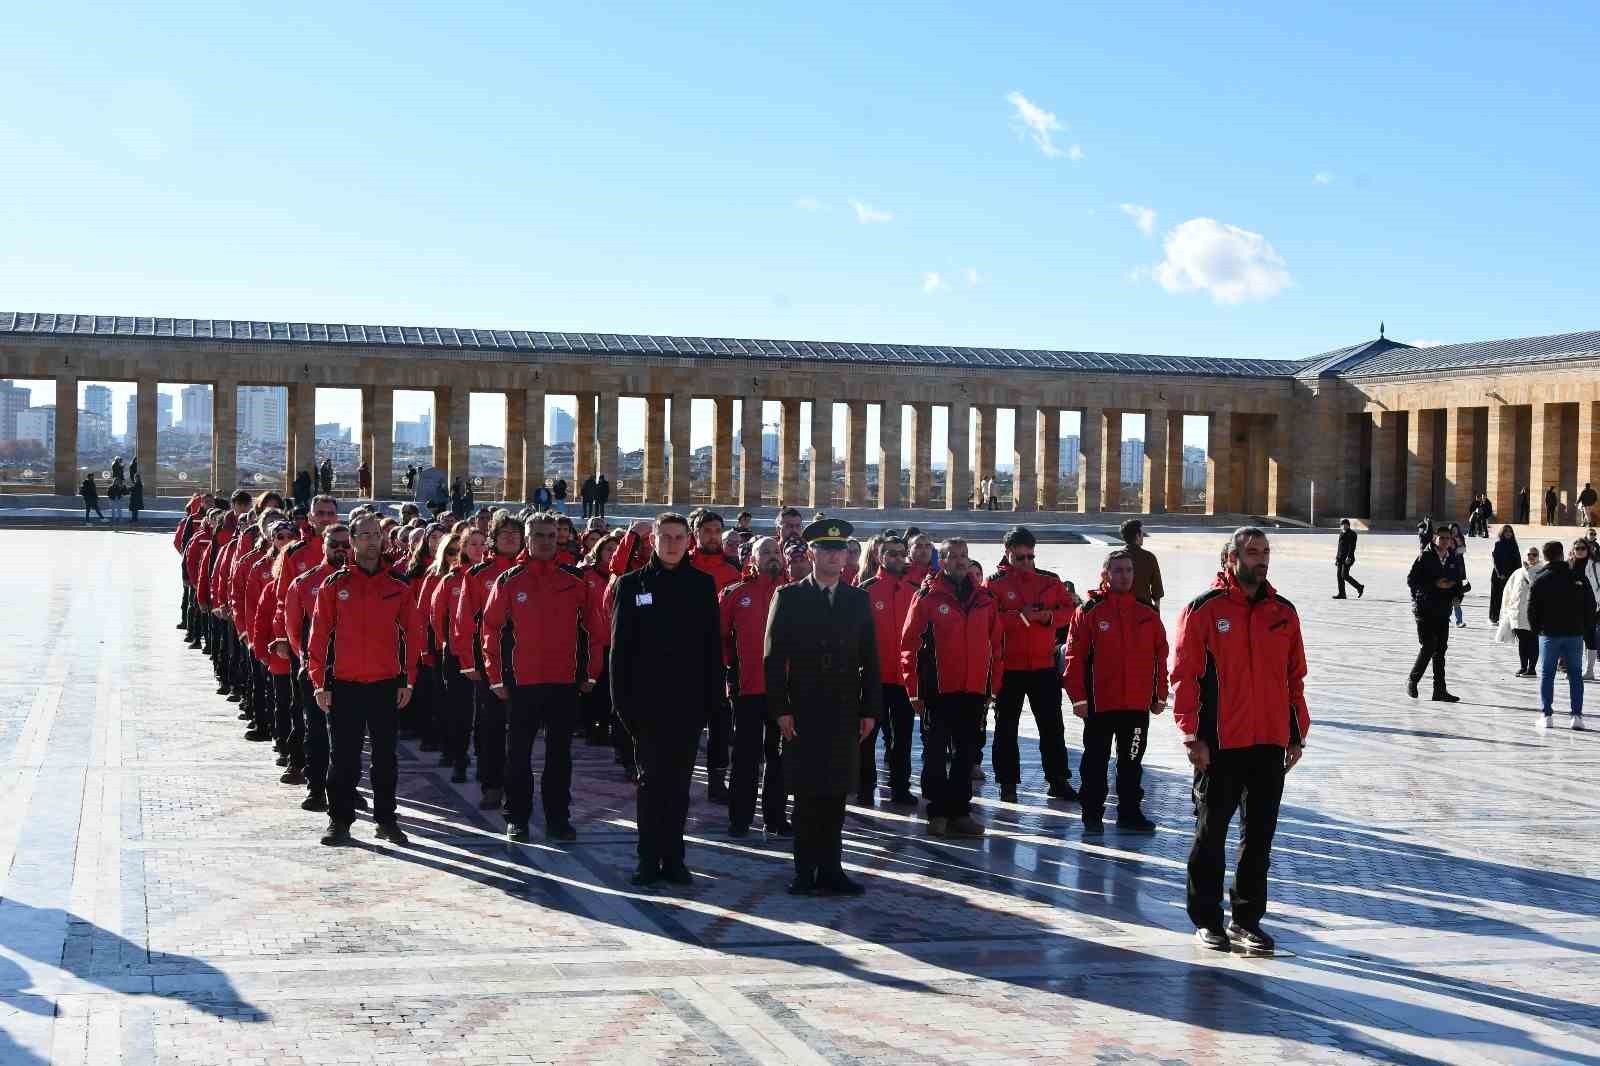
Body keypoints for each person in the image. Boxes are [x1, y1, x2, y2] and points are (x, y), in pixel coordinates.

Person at [1172, 527, 1308, 955]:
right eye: (1252, 553)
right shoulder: (1204, 610)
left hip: (1269, 740)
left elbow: (1294, 677)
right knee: (1211, 834)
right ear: (1231, 558)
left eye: (1265, 552)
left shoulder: (1283, 612)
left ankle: (1247, 920)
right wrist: (1192, 735)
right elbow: (1185, 676)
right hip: (1219, 742)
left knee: (1259, 837)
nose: (1261, 560)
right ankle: (1207, 919)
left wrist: (1296, 733)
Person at [763, 518, 880, 895]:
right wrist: (780, 708)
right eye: (826, 549)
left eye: (840, 549)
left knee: (835, 793)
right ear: (811, 553)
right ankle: (804, 871)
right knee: (808, 793)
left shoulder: (857, 598)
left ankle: (831, 869)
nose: (834, 556)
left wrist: (869, 710)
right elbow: (772, 658)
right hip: (803, 709)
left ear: (848, 556)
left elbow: (871, 659)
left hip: (844, 709)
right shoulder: (790, 596)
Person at [610, 512, 723, 887]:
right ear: (653, 540)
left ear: (688, 541)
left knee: (679, 786)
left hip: (688, 707)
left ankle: (674, 858)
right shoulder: (631, 585)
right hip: (646, 708)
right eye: (666, 537)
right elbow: (619, 655)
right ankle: (647, 858)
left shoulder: (702, 585)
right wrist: (625, 710)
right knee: (650, 785)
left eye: (679, 537)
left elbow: (711, 651)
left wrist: (711, 704)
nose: (672, 544)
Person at [482, 513, 603, 843]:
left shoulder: (575, 580)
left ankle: (558, 818)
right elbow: (490, 629)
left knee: (559, 756)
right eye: (538, 535)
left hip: (564, 682)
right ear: (527, 538)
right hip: (521, 682)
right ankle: (517, 817)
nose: (546, 540)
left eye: (551, 535)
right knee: (518, 754)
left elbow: (595, 630)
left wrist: (591, 672)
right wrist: (495, 677)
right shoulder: (510, 580)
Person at [307, 513, 424, 847]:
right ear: (353, 541)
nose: (372, 541)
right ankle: (339, 821)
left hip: (386, 685)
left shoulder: (397, 586)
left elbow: (412, 636)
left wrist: (408, 679)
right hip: (343, 685)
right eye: (364, 535)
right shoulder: (334, 585)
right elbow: (319, 637)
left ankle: (386, 819)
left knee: (386, 758)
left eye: (376, 534)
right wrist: (319, 681)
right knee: (343, 758)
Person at [900, 538, 1002, 838]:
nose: (960, 561)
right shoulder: (927, 597)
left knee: (966, 754)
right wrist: (915, 690)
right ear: (940, 561)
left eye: (964, 556)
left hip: (973, 690)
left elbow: (996, 645)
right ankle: (937, 812)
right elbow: (910, 645)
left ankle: (960, 812)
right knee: (934, 754)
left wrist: (992, 687)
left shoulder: (984, 599)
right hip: (938, 690)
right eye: (953, 556)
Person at [1063, 549, 1169, 833]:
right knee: (1095, 762)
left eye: (1129, 571)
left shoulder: (1147, 613)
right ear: (1106, 575)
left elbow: (1161, 656)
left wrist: (1160, 695)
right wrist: (1078, 698)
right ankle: (1093, 814)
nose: (1124, 576)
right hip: (1099, 704)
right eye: (1118, 570)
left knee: (1132, 763)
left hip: (1135, 706)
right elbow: (1074, 657)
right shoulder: (1089, 612)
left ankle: (1130, 813)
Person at [985, 527, 1075, 804]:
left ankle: (1058, 780)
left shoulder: (1050, 580)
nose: (1026, 562)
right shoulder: (994, 583)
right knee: (1006, 727)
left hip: (1042, 665)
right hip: (1010, 667)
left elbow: (1071, 611)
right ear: (1007, 553)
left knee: (1051, 725)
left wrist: (1049, 616)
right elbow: (990, 620)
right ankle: (1007, 782)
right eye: (1020, 557)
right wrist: (1021, 617)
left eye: (1030, 557)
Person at [452, 511, 524, 810]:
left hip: (525, 660)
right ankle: (491, 784)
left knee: (521, 729)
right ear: (493, 537)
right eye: (504, 532)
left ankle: (517, 785)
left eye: (515, 533)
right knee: (490, 725)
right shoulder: (477, 574)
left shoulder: (529, 572)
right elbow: (464, 621)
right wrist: (468, 662)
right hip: (489, 660)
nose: (510, 537)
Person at [718, 536, 790, 836]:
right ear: (752, 558)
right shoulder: (735, 593)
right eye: (766, 552)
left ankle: (775, 818)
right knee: (745, 756)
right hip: (747, 689)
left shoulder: (794, 593)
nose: (773, 556)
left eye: (777, 552)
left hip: (786, 692)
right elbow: (718, 637)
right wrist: (730, 671)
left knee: (781, 758)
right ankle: (740, 818)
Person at [859, 534, 919, 806]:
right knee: (866, 736)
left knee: (902, 737)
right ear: (879, 556)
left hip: (905, 678)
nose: (896, 558)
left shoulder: (916, 590)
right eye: (890, 553)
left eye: (900, 553)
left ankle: (900, 786)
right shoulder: (865, 590)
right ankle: (864, 785)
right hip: (873, 678)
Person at [1529, 540, 1596, 730]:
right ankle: (1576, 716)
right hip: (1574, 633)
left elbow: (1532, 609)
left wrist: (1537, 630)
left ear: (1545, 556)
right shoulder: (1577, 576)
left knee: (1547, 674)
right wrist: (1584, 627)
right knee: (1575, 674)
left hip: (1549, 633)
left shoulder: (1541, 578)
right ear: (1562, 554)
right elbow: (1590, 605)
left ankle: (1547, 715)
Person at [1406, 527, 1462, 702]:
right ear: (1435, 538)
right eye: (1442, 538)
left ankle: (1440, 690)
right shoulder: (1425, 556)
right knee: (1429, 645)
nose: (1445, 541)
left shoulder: (1452, 558)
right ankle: (1413, 680)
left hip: (1443, 609)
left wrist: (1457, 596)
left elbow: (1457, 582)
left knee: (1440, 651)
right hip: (1424, 609)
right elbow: (1412, 580)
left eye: (1448, 538)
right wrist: (1434, 584)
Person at [1119, 520, 1164, 611]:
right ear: (1137, 536)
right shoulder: (1149, 558)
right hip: (1144, 612)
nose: (1143, 537)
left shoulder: (1113, 558)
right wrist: (1156, 615)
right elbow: (1157, 591)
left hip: (1119, 610)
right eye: (1142, 534)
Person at [1573, 537, 1600, 680]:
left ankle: (1590, 671)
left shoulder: (1595, 565)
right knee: (1576, 639)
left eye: (1583, 548)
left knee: (1589, 638)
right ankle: (1576, 669)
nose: (1580, 551)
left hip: (1591, 607)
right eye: (1577, 548)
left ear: (1588, 549)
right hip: (1573, 608)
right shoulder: (1569, 565)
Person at [1489, 525, 1521, 625]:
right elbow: (1495, 560)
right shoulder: (1498, 544)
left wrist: (1519, 573)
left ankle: (1508, 617)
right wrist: (1500, 574)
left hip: (1511, 574)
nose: (1508, 533)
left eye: (1510, 532)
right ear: (1502, 533)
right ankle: (1494, 617)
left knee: (1511, 597)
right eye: (1506, 532)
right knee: (1496, 596)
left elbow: (1518, 560)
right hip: (1499, 575)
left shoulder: (1514, 544)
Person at [1333, 518, 1364, 598]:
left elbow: (1352, 547)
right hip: (1340, 558)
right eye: (1342, 525)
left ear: (1348, 525)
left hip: (1348, 558)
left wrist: (1349, 557)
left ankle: (1359, 587)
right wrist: (1337, 558)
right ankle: (1342, 594)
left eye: (1345, 525)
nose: (1344, 526)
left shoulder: (1352, 534)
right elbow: (1339, 547)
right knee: (1339, 576)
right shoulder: (1341, 533)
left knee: (1344, 575)